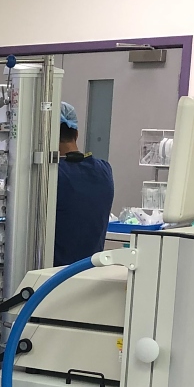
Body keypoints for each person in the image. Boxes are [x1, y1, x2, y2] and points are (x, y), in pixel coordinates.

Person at [54, 101, 115, 266]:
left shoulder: (53, 175)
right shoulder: (104, 170)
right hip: (89, 273)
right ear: (77, 134)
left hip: (51, 277)